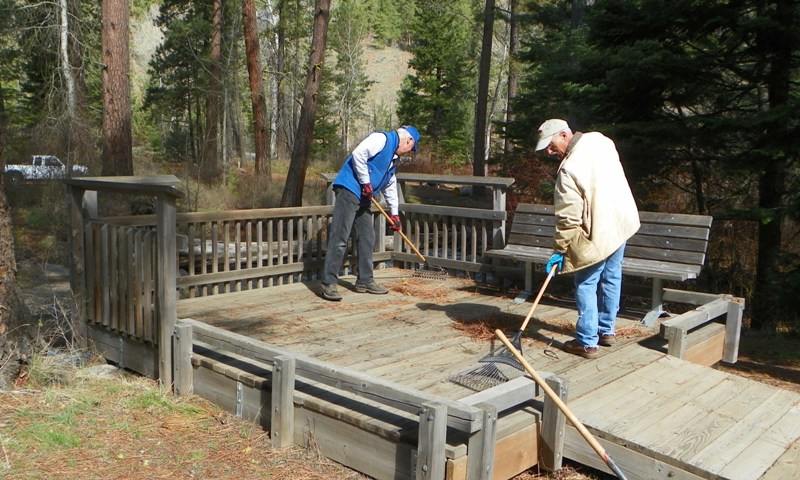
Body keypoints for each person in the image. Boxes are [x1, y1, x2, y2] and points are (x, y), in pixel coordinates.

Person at [535, 119, 640, 358]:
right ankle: (606, 331)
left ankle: (586, 342)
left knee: (586, 283)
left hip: (598, 230)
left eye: (550, 145)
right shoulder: (600, 140)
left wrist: (559, 250)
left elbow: (568, 218)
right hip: (620, 223)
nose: (549, 152)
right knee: (612, 275)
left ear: (563, 135)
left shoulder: (568, 169)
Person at [320, 126, 420, 301]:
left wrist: (395, 215)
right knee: (340, 236)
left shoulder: (393, 159)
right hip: (349, 189)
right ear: (408, 140)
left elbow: (390, 185)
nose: (409, 152)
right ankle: (328, 282)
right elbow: (358, 154)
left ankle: (365, 280)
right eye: (412, 148)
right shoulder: (382, 139)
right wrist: (366, 183)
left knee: (367, 236)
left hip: (364, 197)